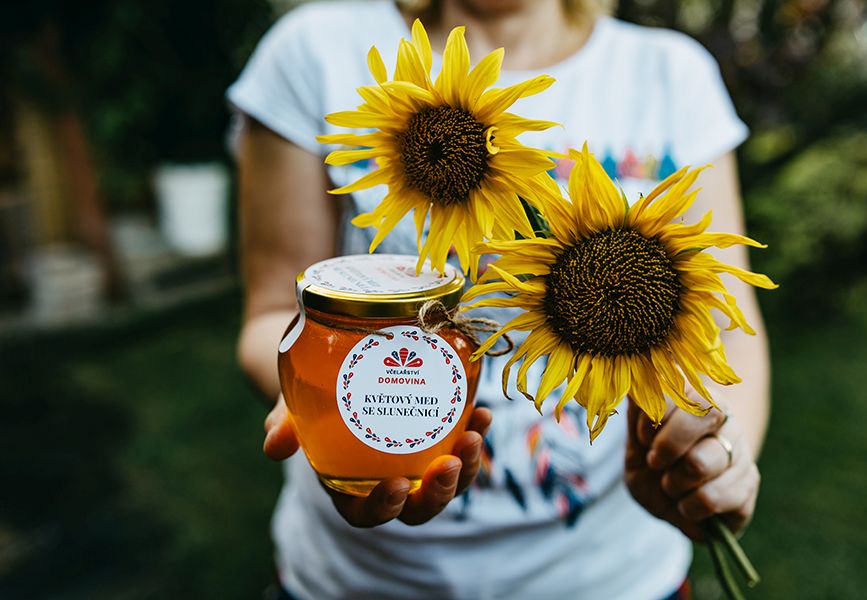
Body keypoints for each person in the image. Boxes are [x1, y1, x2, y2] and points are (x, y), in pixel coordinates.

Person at [229, 0, 770, 598]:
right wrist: (324, 417)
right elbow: (273, 316)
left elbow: (729, 332)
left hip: (614, 573)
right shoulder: (315, 50)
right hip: (360, 577)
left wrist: (709, 465)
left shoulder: (670, 73)